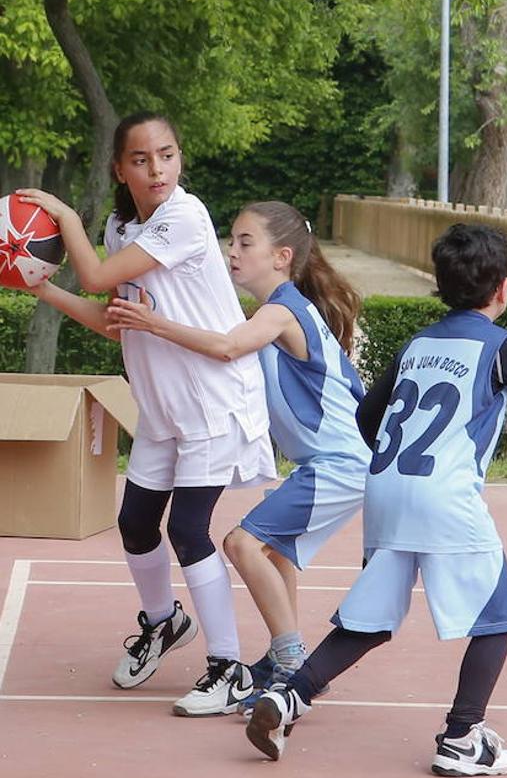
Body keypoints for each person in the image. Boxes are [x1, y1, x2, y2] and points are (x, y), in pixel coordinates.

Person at [242, 223, 507, 777]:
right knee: (496, 617)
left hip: (386, 492)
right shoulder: (499, 345)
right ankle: (462, 737)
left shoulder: (418, 344)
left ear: (440, 286)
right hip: (444, 497)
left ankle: (289, 697)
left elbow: (368, 417)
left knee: (369, 619)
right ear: (503, 289)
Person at [17, 112, 275, 715]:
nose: (156, 168)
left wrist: (65, 220)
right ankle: (164, 623)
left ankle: (229, 667)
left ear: (179, 159)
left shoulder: (184, 216)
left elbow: (97, 275)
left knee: (188, 529)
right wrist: (40, 289)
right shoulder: (119, 227)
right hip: (162, 407)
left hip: (213, 400)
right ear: (120, 168)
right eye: (140, 159)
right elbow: (116, 324)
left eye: (166, 154)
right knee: (135, 523)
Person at [105, 200, 370, 707]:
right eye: (231, 240)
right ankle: (284, 654)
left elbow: (225, 348)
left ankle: (294, 666)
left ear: (281, 256)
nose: (232, 250)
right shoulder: (279, 308)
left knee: (242, 544)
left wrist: (152, 323)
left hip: (343, 465)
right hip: (334, 464)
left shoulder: (280, 311)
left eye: (246, 242)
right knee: (275, 552)